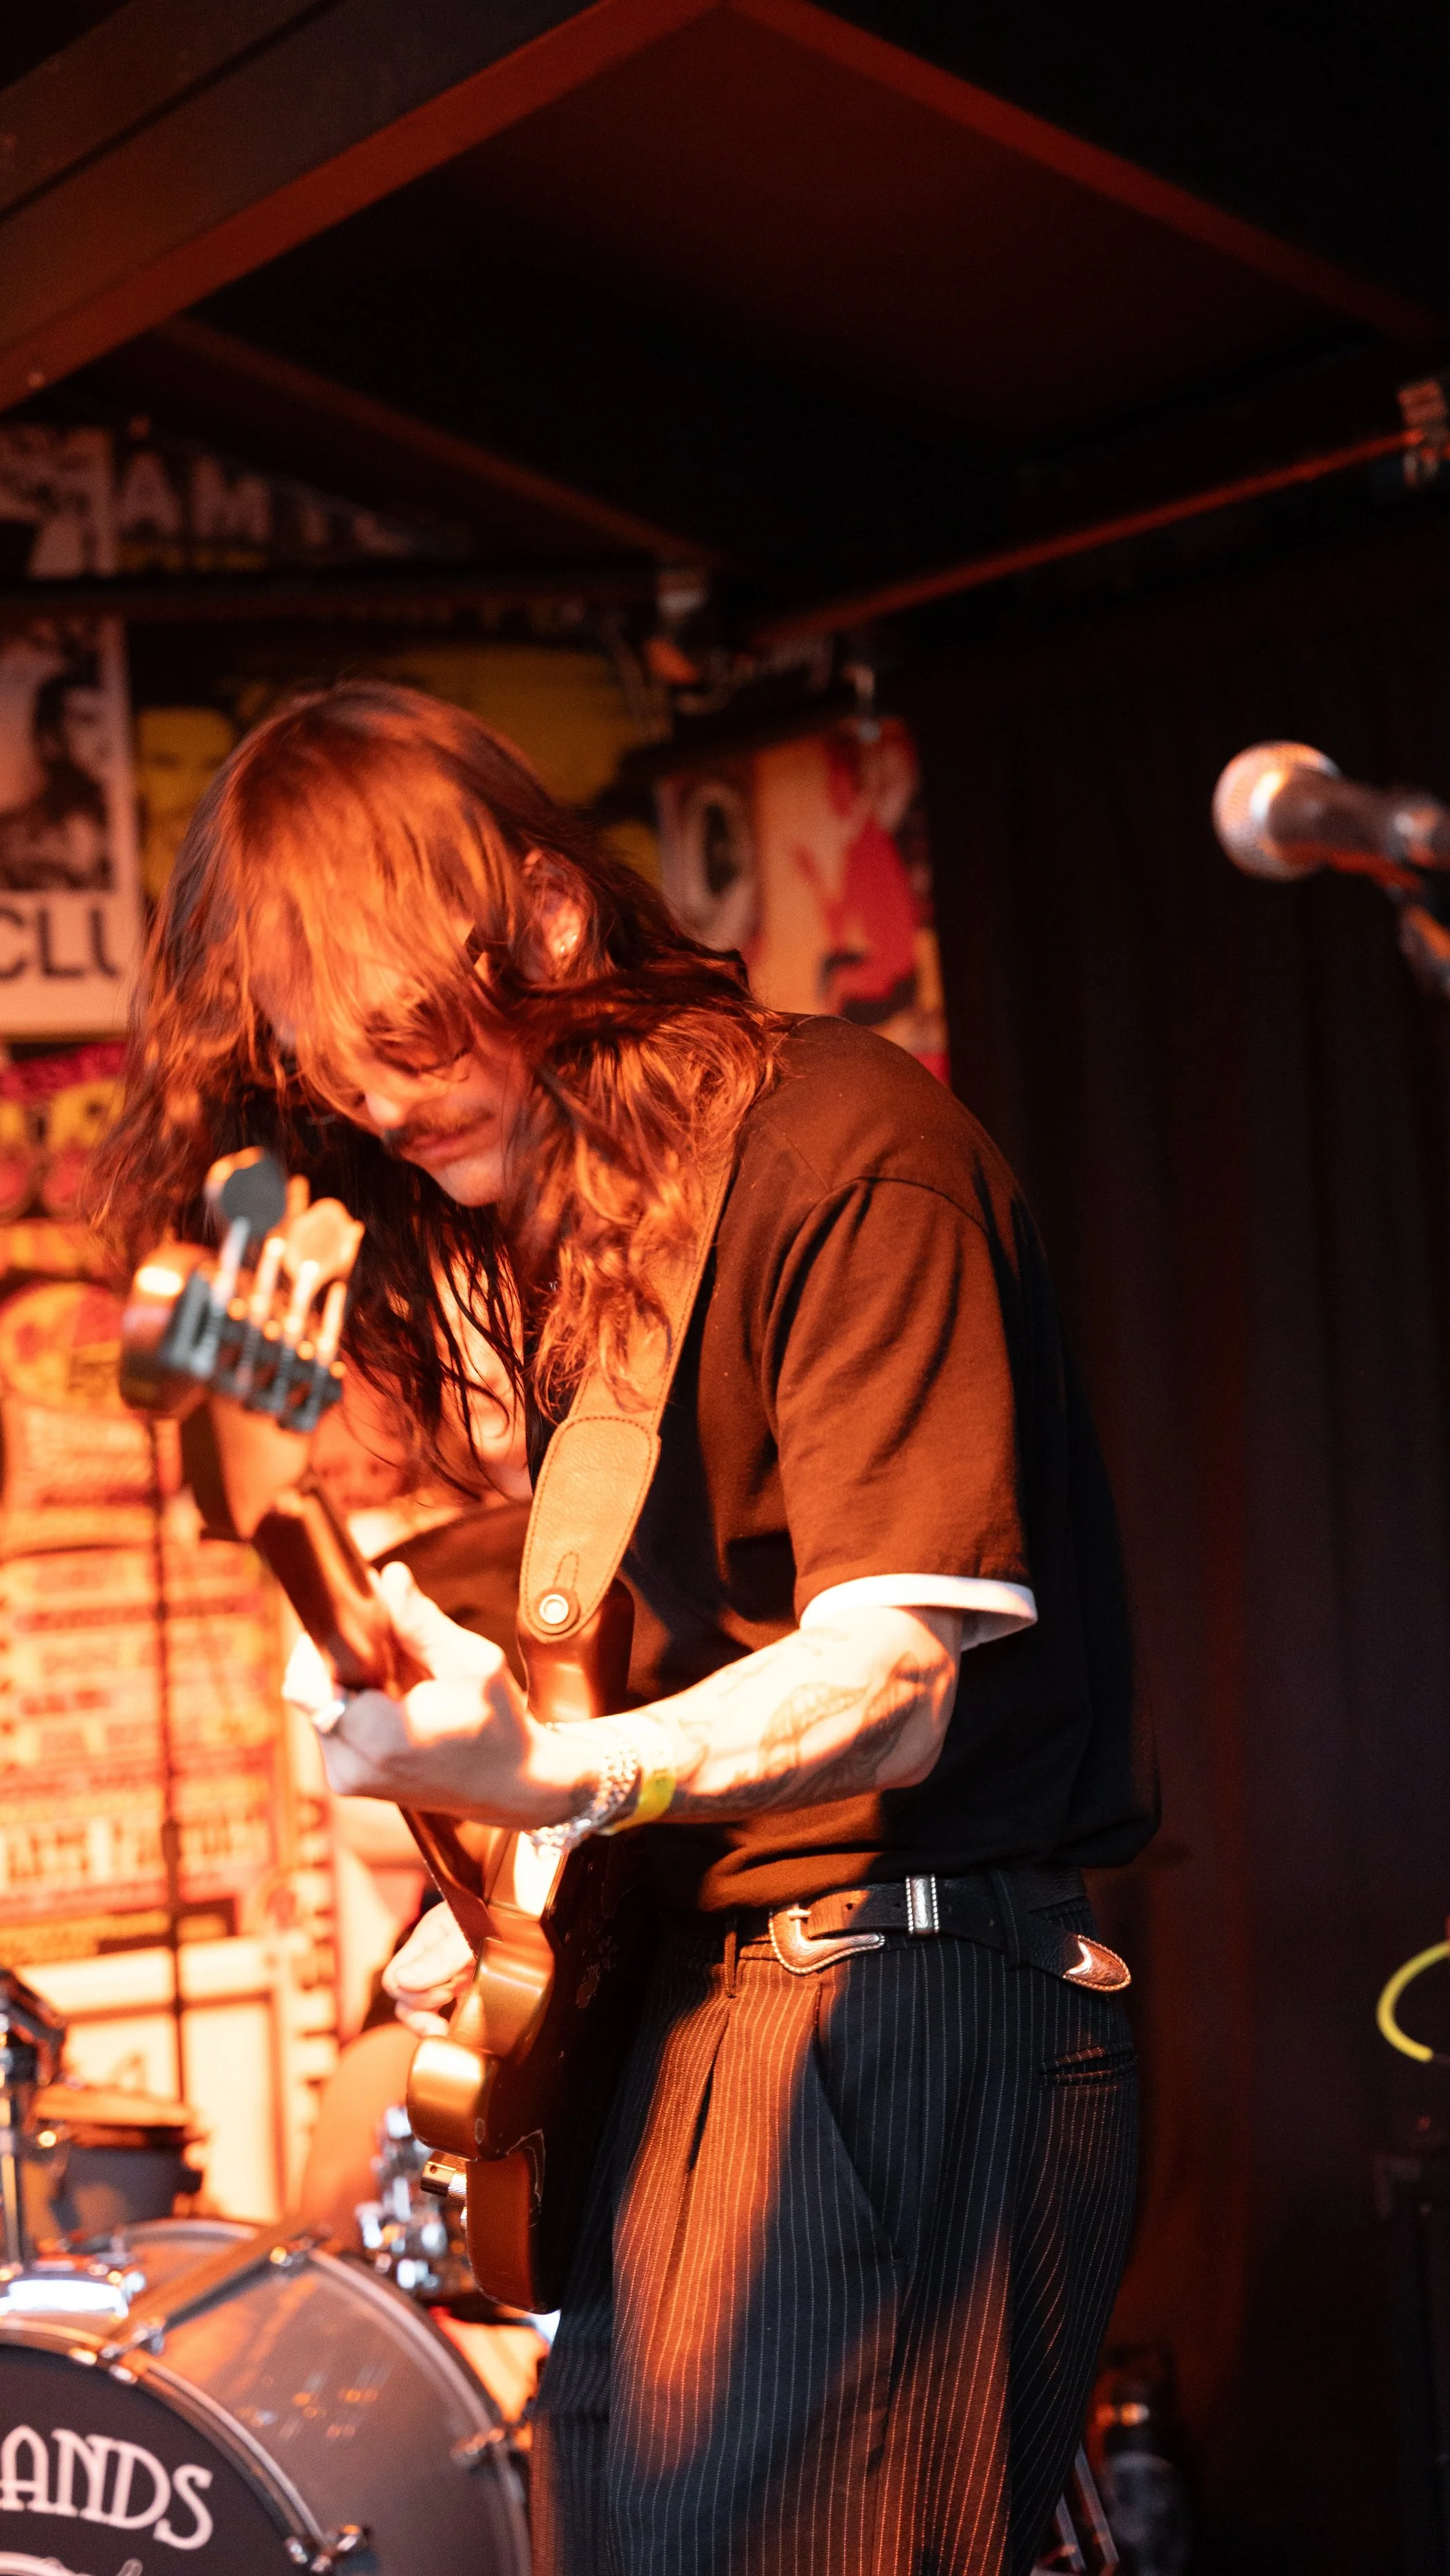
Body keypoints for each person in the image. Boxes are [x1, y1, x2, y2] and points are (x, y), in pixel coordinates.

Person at [93, 681, 1155, 2576]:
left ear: (551, 917)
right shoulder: (592, 1232)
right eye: (336, 1072)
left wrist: (562, 1770)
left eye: (408, 1035)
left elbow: (895, 1677)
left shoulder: (847, 1154)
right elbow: (633, 1626)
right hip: (698, 2003)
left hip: (892, 1995)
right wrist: (445, 1725)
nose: (382, 1105)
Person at [0, 662, 112, 890]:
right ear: (49, 739)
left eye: (113, 723)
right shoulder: (3, 838)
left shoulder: (137, 830)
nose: (106, 741)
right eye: (87, 721)